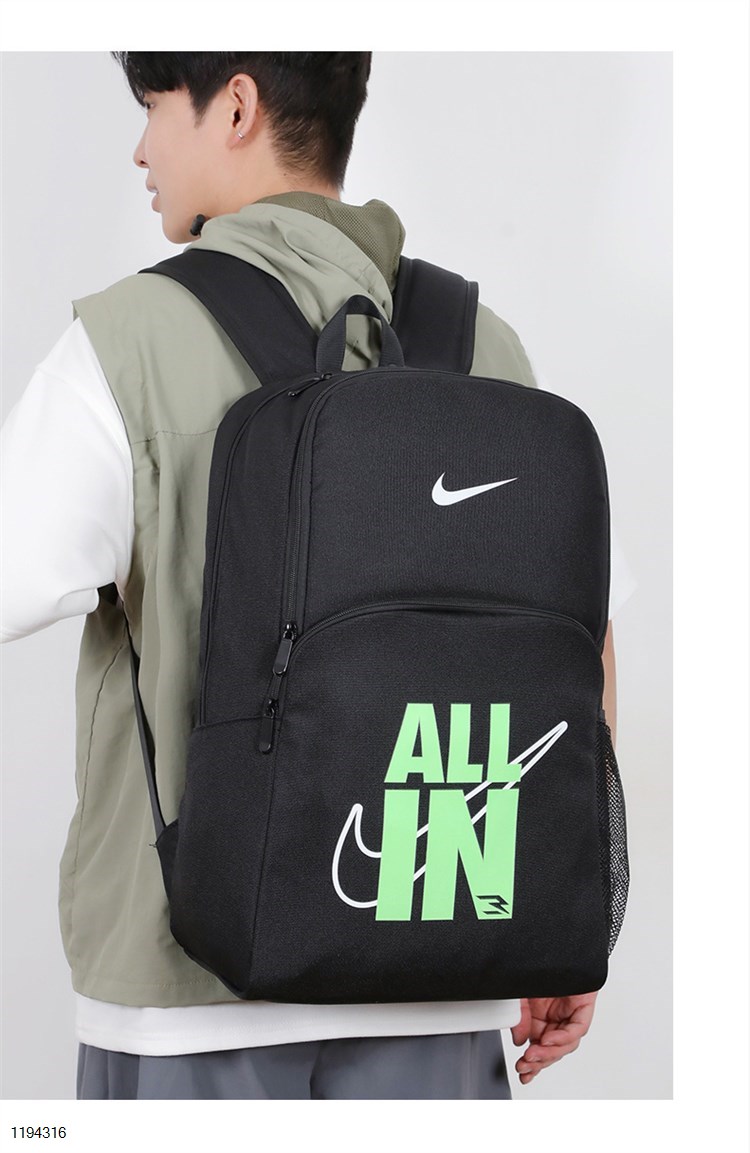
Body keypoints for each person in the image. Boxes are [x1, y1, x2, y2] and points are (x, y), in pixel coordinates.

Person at [0, 51, 624, 1100]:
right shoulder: (489, 346)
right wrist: (562, 917)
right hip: (450, 970)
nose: (141, 149)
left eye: (154, 106)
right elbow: (580, 639)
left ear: (235, 104)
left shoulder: (128, 342)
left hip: (190, 1004)